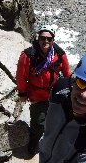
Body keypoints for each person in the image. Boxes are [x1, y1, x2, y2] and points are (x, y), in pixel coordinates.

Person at [15, 25, 71, 155]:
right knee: (39, 123)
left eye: (49, 39)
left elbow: (67, 73)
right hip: (37, 95)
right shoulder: (28, 55)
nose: (46, 41)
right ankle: (33, 143)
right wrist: (22, 93)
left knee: (56, 121)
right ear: (38, 38)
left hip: (54, 94)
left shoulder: (59, 54)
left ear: (53, 40)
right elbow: (21, 76)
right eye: (42, 38)